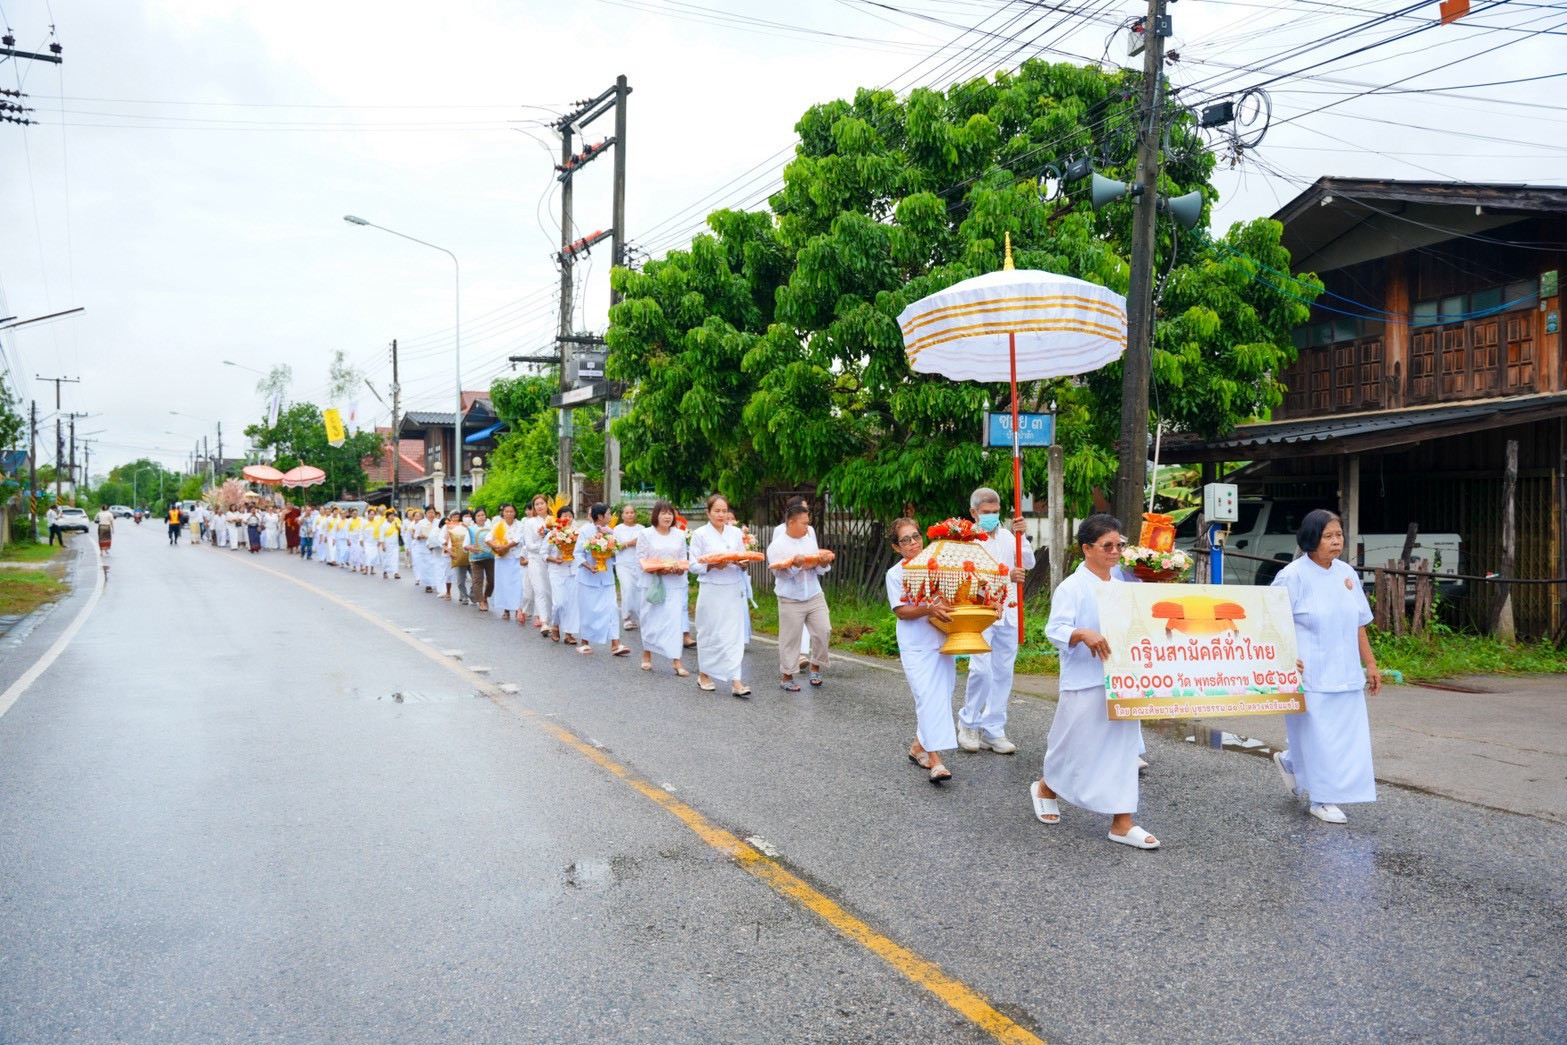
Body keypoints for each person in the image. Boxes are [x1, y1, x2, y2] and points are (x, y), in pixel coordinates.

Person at [1032, 514, 1159, 849]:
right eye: (1107, 546)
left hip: (1123, 681)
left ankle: (1122, 822)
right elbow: (1054, 629)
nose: (1115, 551)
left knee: (1123, 750)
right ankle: (1046, 786)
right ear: (1087, 548)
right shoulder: (1071, 588)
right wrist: (1081, 633)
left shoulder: (1125, 588)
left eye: (1120, 545)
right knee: (1076, 746)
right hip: (1084, 681)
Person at [1271, 509, 1381, 825]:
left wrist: (1371, 665)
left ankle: (1292, 762)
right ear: (1311, 538)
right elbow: (1272, 623)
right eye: (1328, 536)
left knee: (1344, 736)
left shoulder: (1346, 573)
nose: (1336, 542)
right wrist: (1284, 656)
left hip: (1345, 671)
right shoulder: (1292, 576)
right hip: (1308, 674)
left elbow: (1359, 622)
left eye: (1339, 535)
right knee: (1320, 736)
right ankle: (1322, 798)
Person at [957, 486, 1034, 756]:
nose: (991, 516)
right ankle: (968, 722)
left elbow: (1030, 563)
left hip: (1010, 611)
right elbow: (967, 578)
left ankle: (993, 730)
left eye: (995, 512)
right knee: (981, 670)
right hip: (981, 613)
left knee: (1003, 672)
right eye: (985, 512)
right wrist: (1005, 577)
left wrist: (1021, 536)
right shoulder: (967, 541)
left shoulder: (1008, 536)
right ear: (973, 513)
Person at [886, 518, 958, 783]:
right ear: (896, 547)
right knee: (927, 697)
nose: (913, 543)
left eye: (915, 536)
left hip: (942, 640)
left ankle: (918, 746)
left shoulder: (937, 565)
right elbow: (902, 612)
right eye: (905, 540)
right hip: (915, 645)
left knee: (941, 695)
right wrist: (928, 608)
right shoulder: (895, 574)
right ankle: (935, 760)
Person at [767, 499, 835, 691]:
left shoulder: (809, 541)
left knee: (824, 630)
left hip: (814, 594)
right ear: (791, 523)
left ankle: (815, 665)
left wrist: (822, 562)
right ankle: (787, 676)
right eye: (804, 523)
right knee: (790, 638)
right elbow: (779, 574)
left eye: (808, 523)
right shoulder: (777, 546)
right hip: (790, 598)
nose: (807, 527)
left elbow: (821, 570)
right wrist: (796, 566)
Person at [688, 494, 751, 698]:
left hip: (732, 587)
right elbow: (693, 565)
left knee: (733, 634)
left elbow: (741, 557)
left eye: (724, 511)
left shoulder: (734, 533)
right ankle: (704, 675)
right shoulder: (700, 534)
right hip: (712, 589)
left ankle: (736, 681)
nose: (721, 514)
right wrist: (713, 565)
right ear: (708, 512)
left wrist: (742, 563)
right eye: (717, 510)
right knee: (710, 632)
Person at [636, 500, 691, 678]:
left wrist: (678, 568)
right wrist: (658, 568)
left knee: (674, 622)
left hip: (674, 583)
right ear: (656, 515)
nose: (667, 517)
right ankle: (647, 653)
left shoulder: (679, 535)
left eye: (670, 514)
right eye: (663, 513)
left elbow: (683, 559)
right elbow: (640, 560)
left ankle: (677, 660)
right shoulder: (646, 534)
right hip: (652, 582)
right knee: (650, 619)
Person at [573, 503, 633, 656]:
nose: (610, 516)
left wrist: (611, 552)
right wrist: (588, 566)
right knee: (588, 610)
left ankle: (616, 643)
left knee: (611, 608)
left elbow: (615, 552)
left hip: (606, 578)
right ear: (600, 516)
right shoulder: (585, 530)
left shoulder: (610, 531)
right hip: (588, 578)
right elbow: (578, 553)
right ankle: (585, 643)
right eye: (608, 514)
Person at [545, 506, 579, 643]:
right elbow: (543, 553)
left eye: (570, 516)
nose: (568, 518)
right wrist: (554, 559)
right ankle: (555, 625)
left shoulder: (578, 533)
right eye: (565, 515)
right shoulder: (552, 534)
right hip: (557, 571)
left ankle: (569, 633)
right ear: (559, 518)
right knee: (559, 602)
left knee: (571, 603)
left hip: (573, 571)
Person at [522, 494, 554, 637]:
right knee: (540, 590)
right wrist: (543, 545)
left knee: (550, 591)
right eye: (536, 504)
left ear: (547, 504)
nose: (539, 506)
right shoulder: (530, 522)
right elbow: (529, 545)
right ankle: (544, 621)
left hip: (551, 560)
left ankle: (553, 621)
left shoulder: (554, 521)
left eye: (542, 503)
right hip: (535, 560)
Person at [488, 503, 525, 621]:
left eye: (511, 511)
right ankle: (506, 609)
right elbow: (487, 538)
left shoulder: (520, 525)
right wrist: (497, 546)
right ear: (502, 513)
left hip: (516, 557)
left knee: (519, 584)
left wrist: (506, 546)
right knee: (504, 584)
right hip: (502, 559)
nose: (509, 514)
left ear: (515, 513)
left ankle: (519, 609)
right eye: (506, 511)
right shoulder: (498, 525)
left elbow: (518, 539)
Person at [612, 504, 644, 631]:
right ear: (622, 515)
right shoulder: (617, 529)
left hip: (638, 564)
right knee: (628, 589)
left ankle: (639, 617)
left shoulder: (641, 529)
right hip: (623, 564)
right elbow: (614, 547)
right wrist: (630, 543)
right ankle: (627, 618)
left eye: (632, 512)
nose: (630, 514)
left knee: (638, 591)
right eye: (627, 512)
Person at [467, 508, 495, 613]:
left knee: (492, 580)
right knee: (477, 581)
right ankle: (481, 601)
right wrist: (470, 548)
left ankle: (486, 596)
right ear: (475, 518)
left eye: (483, 515)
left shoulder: (491, 528)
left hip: (490, 557)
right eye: (478, 516)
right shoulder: (470, 529)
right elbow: (465, 545)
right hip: (476, 559)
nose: (481, 517)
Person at [444, 511, 470, 603]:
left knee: (476, 579)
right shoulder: (453, 528)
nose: (468, 518)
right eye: (466, 516)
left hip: (472, 556)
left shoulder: (473, 527)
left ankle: (473, 594)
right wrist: (449, 550)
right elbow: (449, 541)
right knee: (460, 580)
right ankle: (464, 597)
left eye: (470, 516)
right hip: (459, 557)